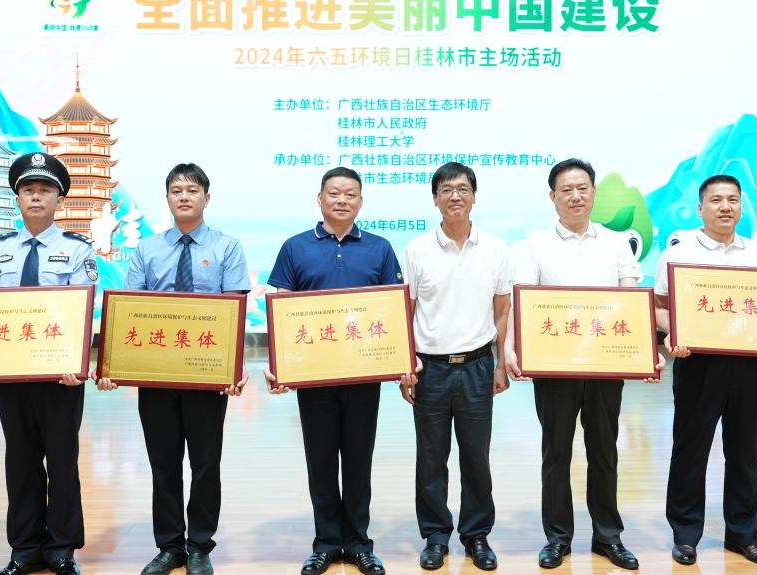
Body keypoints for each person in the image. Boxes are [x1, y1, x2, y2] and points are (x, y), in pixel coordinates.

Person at [0, 152, 96, 575]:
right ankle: (24, 550)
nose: (36, 197)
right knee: (21, 460)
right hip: (11, 374)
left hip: (61, 376)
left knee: (62, 461)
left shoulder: (78, 250)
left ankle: (61, 549)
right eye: (28, 190)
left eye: (44, 190)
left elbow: (83, 313)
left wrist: (78, 363)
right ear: (17, 198)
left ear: (59, 199)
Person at [504, 158, 663, 571]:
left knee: (604, 450)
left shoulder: (616, 243)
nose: (575, 196)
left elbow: (631, 303)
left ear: (593, 192)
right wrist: (510, 348)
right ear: (552, 196)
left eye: (582, 188)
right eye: (566, 190)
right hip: (554, 367)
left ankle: (608, 536)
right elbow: (522, 301)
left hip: (604, 365)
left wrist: (647, 351)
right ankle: (558, 538)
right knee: (556, 452)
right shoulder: (532, 246)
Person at [654, 174, 757, 567]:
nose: (725, 207)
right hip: (697, 362)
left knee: (745, 451)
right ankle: (685, 535)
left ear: (741, 206)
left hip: (748, 363)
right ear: (700, 208)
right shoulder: (677, 253)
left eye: (732, 199)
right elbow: (658, 306)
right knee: (691, 449)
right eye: (716, 200)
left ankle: (743, 535)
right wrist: (673, 332)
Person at [96, 163, 251, 575]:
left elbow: (234, 311)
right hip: (157, 377)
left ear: (206, 198)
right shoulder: (147, 250)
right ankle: (170, 547)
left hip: (206, 376)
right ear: (167, 198)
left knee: (205, 464)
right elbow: (130, 310)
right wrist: (113, 364)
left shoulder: (227, 247)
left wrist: (235, 367)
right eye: (176, 190)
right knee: (163, 464)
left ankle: (199, 545)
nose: (184, 196)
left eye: (192, 190)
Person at [264, 167, 402, 575]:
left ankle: (358, 544)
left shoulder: (380, 248)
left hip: (363, 375)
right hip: (314, 377)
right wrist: (278, 365)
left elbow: (393, 309)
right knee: (321, 461)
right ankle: (325, 544)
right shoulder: (295, 247)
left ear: (361, 201)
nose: (342, 200)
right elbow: (282, 307)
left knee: (359, 462)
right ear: (320, 198)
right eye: (334, 193)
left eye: (350, 194)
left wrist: (401, 360)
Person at [399, 162, 509, 571]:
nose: (455, 196)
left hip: (478, 365)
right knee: (431, 457)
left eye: (463, 189)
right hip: (430, 369)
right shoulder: (416, 250)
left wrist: (501, 363)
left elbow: (502, 309)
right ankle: (435, 536)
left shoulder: (495, 248)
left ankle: (477, 535)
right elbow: (406, 312)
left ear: (474, 196)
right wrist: (405, 365)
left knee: (476, 457)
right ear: (435, 198)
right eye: (446, 190)